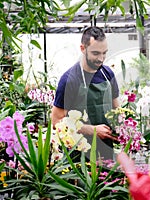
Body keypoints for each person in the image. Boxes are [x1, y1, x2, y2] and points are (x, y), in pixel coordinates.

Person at [51, 26, 119, 160]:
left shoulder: (108, 74)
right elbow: (56, 120)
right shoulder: (70, 80)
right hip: (78, 154)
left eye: (104, 53)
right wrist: (93, 130)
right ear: (83, 49)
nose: (101, 58)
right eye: (95, 53)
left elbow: (117, 110)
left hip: (106, 152)